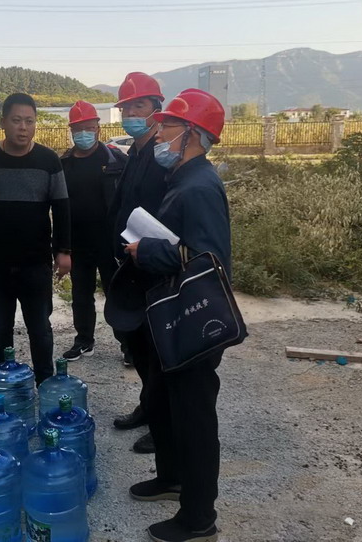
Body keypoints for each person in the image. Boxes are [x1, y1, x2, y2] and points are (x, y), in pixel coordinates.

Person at [123, 89, 230, 542]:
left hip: (193, 324)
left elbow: (207, 260)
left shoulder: (200, 186)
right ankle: (171, 477)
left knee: (194, 417)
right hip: (170, 319)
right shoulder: (182, 179)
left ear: (192, 134)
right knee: (163, 402)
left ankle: (198, 517)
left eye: (167, 125)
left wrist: (145, 250)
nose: (158, 132)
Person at [0, 93, 71, 385]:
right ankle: (3, 382)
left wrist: (63, 251)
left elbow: (61, 208)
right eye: (17, 120)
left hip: (36, 262)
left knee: (40, 329)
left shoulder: (48, 161)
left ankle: (44, 382)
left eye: (29, 121)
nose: (23, 127)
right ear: (3, 122)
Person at [105, 72, 167, 454]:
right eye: (126, 107)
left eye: (138, 106)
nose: (130, 114)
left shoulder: (162, 156)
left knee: (158, 350)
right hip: (131, 263)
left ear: (157, 109)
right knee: (139, 346)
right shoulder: (135, 153)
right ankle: (148, 406)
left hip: (154, 266)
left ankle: (163, 425)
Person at [59, 100, 128, 361]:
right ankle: (84, 341)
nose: (84, 134)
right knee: (80, 295)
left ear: (98, 128)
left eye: (89, 128)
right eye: (78, 129)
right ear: (71, 131)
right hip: (78, 242)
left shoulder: (116, 160)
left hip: (110, 242)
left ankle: (128, 345)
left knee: (117, 293)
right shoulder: (64, 164)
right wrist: (61, 247)